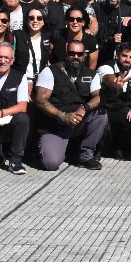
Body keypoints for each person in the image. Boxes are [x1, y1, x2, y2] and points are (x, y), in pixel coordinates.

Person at [33, 39, 105, 171]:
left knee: (101, 114)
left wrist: (85, 108)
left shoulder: (91, 74)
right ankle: (61, 149)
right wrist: (63, 116)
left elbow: (99, 96)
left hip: (78, 121)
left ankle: (86, 156)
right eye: (72, 53)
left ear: (85, 55)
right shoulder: (50, 71)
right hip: (54, 125)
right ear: (66, 54)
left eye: (79, 54)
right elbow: (40, 101)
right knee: (51, 164)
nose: (75, 57)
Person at [96, 44, 131, 159]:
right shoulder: (106, 67)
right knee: (102, 125)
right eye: (124, 56)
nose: (127, 59)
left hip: (121, 108)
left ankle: (120, 148)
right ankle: (97, 150)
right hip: (103, 107)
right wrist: (115, 83)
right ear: (117, 55)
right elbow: (108, 78)